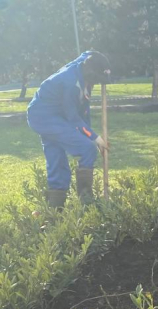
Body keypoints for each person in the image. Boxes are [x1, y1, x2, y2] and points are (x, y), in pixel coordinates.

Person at [27, 51, 111, 208]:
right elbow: (73, 118)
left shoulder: (83, 65)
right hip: (45, 117)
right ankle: (86, 202)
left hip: (53, 114)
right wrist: (95, 138)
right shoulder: (70, 84)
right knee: (87, 148)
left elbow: (87, 53)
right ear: (90, 73)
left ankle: (54, 210)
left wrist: (102, 61)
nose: (96, 84)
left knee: (57, 159)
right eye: (96, 80)